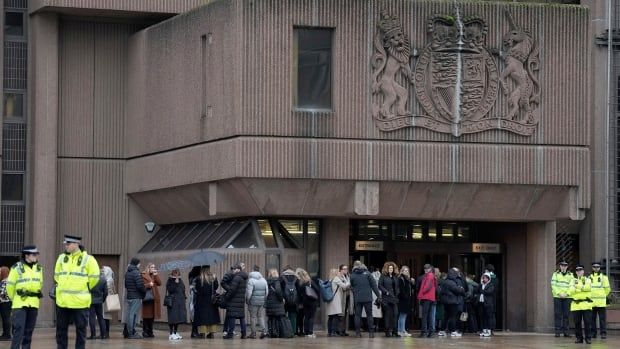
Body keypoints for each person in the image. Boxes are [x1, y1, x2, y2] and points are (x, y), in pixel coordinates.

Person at [54, 235, 100, 349]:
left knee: (81, 331)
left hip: (80, 302)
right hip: (63, 301)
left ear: (76, 244)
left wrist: (85, 287)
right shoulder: (61, 258)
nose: (66, 246)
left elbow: (94, 277)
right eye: (66, 244)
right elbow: (56, 276)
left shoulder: (89, 259)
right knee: (60, 331)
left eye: (68, 244)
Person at [6, 246, 43, 349]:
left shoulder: (39, 268)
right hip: (19, 303)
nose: (36, 256)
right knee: (19, 330)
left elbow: (40, 284)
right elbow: (10, 286)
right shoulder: (16, 268)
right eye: (34, 254)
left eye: (37, 254)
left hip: (34, 303)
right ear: (26, 255)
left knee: (29, 331)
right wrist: (14, 299)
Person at [350, 260, 381, 338]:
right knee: (369, 315)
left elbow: (352, 286)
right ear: (362, 265)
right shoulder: (368, 274)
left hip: (357, 298)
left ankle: (357, 333)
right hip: (367, 298)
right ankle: (371, 333)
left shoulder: (352, 275)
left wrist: (355, 291)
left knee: (357, 315)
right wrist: (379, 296)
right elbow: (374, 286)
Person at [192, 265, 220, 338]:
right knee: (211, 316)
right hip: (211, 300)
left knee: (202, 317)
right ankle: (211, 333)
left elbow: (197, 289)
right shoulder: (213, 277)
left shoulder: (199, 278)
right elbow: (216, 287)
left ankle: (202, 333)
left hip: (201, 300)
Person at [223, 263, 248, 339]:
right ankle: (244, 334)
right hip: (240, 301)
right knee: (241, 317)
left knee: (232, 317)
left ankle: (230, 334)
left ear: (238, 269)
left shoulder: (236, 278)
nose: (233, 270)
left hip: (233, 300)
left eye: (234, 269)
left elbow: (232, 290)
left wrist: (227, 297)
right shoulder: (244, 278)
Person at [439, 268, 465, 337]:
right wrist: (461, 289)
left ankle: (442, 331)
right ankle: (453, 331)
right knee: (453, 317)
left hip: (446, 302)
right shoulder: (452, 282)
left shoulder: (445, 281)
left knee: (446, 316)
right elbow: (457, 290)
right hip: (452, 302)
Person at [569, 264, 592, 344]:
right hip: (576, 305)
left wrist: (577, 287)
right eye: (577, 270)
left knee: (587, 322)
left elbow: (588, 288)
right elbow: (571, 290)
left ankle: (588, 338)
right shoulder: (572, 280)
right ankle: (579, 338)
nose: (579, 272)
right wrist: (582, 288)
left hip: (586, 304)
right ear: (576, 272)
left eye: (580, 270)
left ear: (583, 271)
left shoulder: (588, 279)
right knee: (577, 323)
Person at [326, 266, 351, 336]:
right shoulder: (336, 279)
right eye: (338, 272)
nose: (339, 273)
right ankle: (333, 332)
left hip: (331, 300)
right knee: (335, 316)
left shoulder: (330, 279)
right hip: (336, 300)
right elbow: (344, 286)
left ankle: (329, 332)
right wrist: (348, 280)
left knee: (330, 317)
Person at [123, 257, 145, 339]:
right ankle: (131, 332)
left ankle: (129, 331)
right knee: (132, 314)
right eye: (139, 263)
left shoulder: (127, 272)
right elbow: (140, 285)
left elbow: (126, 285)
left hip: (129, 296)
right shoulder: (136, 272)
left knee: (129, 314)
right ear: (137, 263)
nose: (140, 265)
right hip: (136, 296)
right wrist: (144, 291)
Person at [551, 260, 573, 337]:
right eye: (562, 265)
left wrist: (566, 294)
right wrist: (559, 293)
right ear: (560, 266)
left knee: (566, 315)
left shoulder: (571, 275)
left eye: (565, 265)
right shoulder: (555, 274)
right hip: (558, 296)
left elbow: (572, 286)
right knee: (558, 314)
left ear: (567, 266)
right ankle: (557, 332)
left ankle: (566, 332)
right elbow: (553, 285)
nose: (563, 267)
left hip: (567, 297)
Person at [589, 261, 611, 339]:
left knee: (602, 319)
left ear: (600, 267)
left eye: (597, 267)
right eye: (594, 267)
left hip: (601, 302)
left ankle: (603, 333)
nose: (596, 268)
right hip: (592, 302)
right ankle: (593, 333)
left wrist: (602, 296)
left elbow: (607, 289)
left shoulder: (604, 277)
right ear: (592, 268)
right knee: (592, 319)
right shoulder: (589, 278)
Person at [378, 261, 400, 337]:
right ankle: (387, 331)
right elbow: (379, 285)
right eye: (390, 268)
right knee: (388, 315)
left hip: (394, 298)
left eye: (392, 268)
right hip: (386, 298)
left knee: (395, 314)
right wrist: (386, 292)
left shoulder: (395, 276)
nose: (391, 269)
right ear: (386, 269)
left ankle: (395, 331)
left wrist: (397, 291)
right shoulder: (383, 276)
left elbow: (397, 286)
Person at [246, 265, 268, 339]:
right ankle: (264, 331)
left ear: (252, 270)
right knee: (260, 316)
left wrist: (247, 301)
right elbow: (267, 292)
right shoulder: (264, 280)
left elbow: (249, 293)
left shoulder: (251, 280)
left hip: (253, 302)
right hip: (261, 302)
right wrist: (263, 300)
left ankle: (253, 333)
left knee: (253, 317)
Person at [297, 268, 319, 337]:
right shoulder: (310, 282)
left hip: (305, 302)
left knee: (306, 317)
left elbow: (299, 294)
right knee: (311, 317)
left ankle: (306, 332)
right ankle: (310, 332)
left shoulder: (301, 283)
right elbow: (317, 289)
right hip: (312, 301)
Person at [166, 268, 187, 341]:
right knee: (173, 318)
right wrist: (175, 283)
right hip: (173, 302)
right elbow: (170, 290)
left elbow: (183, 289)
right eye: (175, 273)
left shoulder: (180, 280)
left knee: (178, 318)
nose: (177, 274)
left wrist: (184, 297)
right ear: (173, 273)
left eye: (178, 273)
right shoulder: (170, 280)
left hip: (180, 302)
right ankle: (171, 333)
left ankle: (175, 332)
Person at [141, 263, 162, 338]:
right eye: (152, 267)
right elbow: (141, 286)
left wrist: (156, 275)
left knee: (152, 316)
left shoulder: (154, 275)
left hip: (154, 298)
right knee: (146, 316)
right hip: (147, 298)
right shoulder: (143, 275)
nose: (153, 268)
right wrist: (148, 285)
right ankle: (145, 331)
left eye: (154, 267)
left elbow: (160, 283)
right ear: (148, 268)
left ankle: (150, 331)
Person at [265, 269, 285, 338]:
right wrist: (281, 299)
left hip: (269, 303)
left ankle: (271, 332)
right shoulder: (277, 281)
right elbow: (278, 291)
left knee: (270, 318)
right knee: (277, 318)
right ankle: (276, 332)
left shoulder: (267, 281)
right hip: (276, 302)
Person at [87, 268, 107, 340]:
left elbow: (86, 290)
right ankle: (103, 335)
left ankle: (93, 335)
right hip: (99, 301)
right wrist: (102, 299)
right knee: (100, 317)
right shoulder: (103, 280)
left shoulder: (89, 280)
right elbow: (105, 292)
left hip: (91, 301)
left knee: (91, 317)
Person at [417, 264, 436, 338]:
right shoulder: (431, 275)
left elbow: (427, 287)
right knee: (430, 316)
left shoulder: (429, 275)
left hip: (426, 298)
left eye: (427, 268)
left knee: (424, 316)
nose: (425, 270)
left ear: (430, 269)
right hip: (431, 298)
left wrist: (421, 294)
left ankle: (424, 332)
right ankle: (431, 332)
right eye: (425, 268)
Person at [280, 265, 299, 336]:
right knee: (293, 316)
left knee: (283, 316)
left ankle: (284, 331)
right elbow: (298, 290)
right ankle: (293, 332)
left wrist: (282, 298)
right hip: (294, 300)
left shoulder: (282, 278)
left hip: (284, 300)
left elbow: (280, 289)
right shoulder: (296, 278)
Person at [477, 273, 496, 338]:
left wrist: (482, 291)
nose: (484, 279)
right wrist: (481, 285)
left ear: (488, 279)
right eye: (483, 278)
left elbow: (489, 292)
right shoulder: (481, 285)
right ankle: (484, 330)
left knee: (488, 317)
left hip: (488, 303)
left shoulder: (491, 285)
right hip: (481, 303)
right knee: (483, 317)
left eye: (485, 278)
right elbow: (477, 290)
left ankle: (489, 330)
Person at [397, 265, 414, 337]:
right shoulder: (401, 279)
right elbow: (401, 290)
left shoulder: (407, 279)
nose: (406, 272)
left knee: (403, 316)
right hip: (403, 300)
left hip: (406, 300)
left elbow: (411, 288)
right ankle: (402, 330)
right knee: (402, 316)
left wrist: (412, 282)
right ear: (402, 271)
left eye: (407, 271)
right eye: (405, 270)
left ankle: (401, 330)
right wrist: (406, 297)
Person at [101, 266, 116, 339]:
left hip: (107, 299)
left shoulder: (109, 280)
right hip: (105, 299)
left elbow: (107, 290)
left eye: (104, 271)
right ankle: (104, 333)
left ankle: (106, 333)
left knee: (105, 317)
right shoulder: (107, 279)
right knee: (104, 317)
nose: (103, 272)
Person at [0, 266, 11, 341]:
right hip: (6, 302)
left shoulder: (5, 282)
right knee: (5, 319)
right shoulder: (6, 281)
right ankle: (5, 334)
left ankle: (7, 335)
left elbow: (3, 294)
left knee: (6, 319)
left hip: (5, 303)